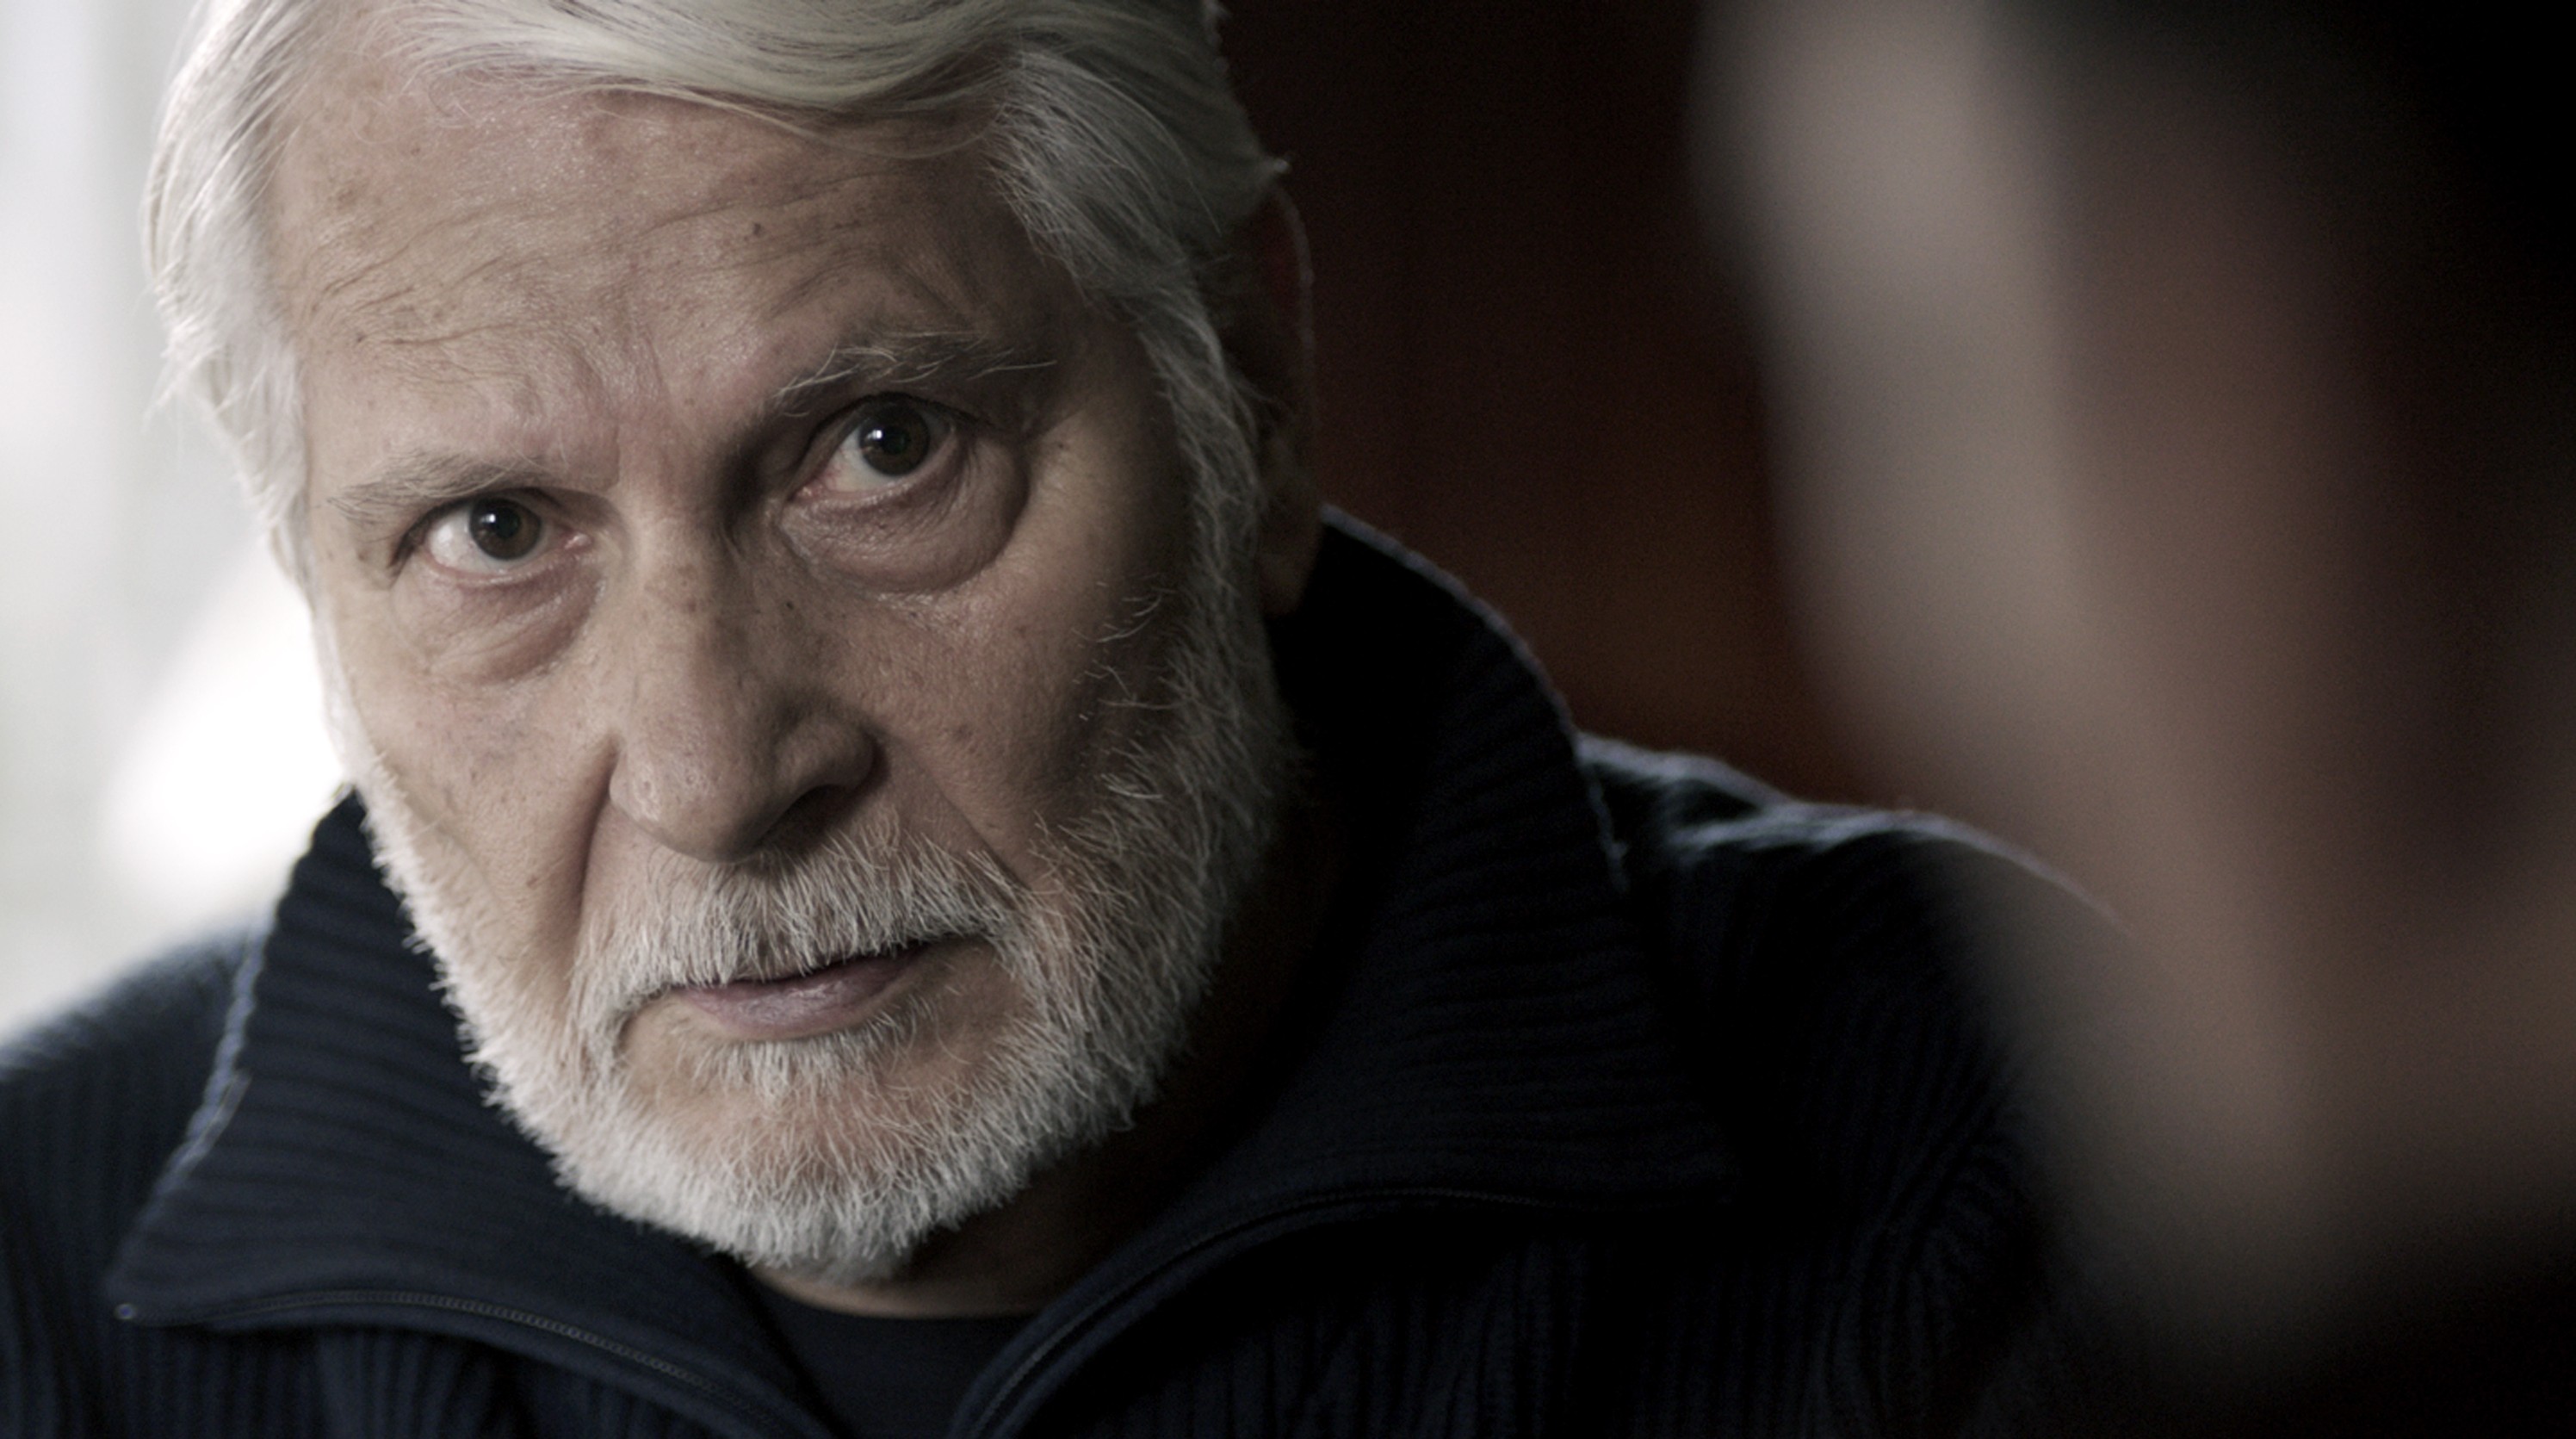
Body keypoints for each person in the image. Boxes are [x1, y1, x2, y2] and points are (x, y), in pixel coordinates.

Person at [2, 2, 2075, 1435]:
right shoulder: (27, 1282)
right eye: (494, 531)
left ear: (1246, 392)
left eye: (883, 447)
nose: (718, 776)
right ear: (309, 578)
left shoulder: (2025, 1156)